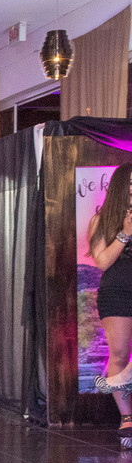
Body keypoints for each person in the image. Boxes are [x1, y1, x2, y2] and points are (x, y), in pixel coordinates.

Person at [89, 164, 132, 447]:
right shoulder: (101, 219)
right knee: (118, 354)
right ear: (120, 186)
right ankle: (127, 417)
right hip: (117, 291)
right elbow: (102, 261)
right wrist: (125, 233)